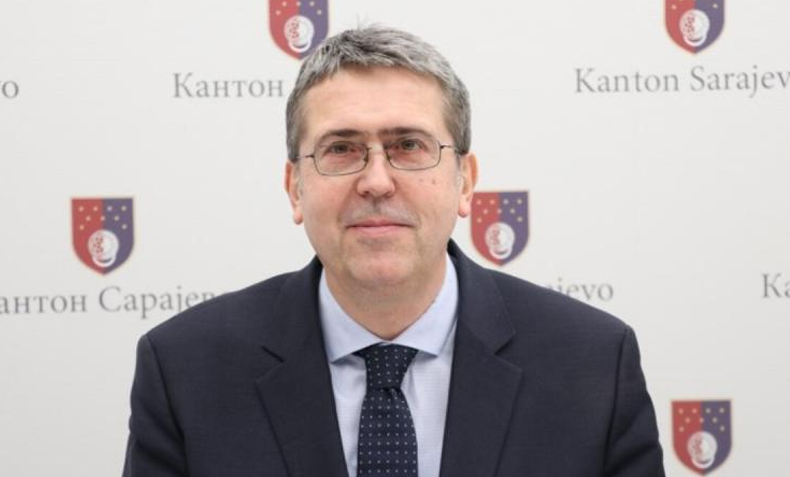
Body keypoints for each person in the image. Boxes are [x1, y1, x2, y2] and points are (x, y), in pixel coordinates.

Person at [123, 26, 665, 477]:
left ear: (465, 182)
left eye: (409, 145)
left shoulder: (593, 362)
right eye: (341, 149)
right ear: (295, 188)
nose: (377, 181)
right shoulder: (185, 370)